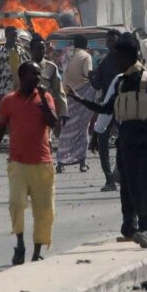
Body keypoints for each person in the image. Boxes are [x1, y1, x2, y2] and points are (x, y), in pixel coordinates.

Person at [74, 39, 147, 248]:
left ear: (128, 57)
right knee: (131, 190)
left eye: (117, 57)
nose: (114, 62)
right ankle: (139, 227)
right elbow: (106, 109)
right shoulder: (120, 83)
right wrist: (77, 98)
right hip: (126, 146)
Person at [0, 62, 60, 265]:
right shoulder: (8, 101)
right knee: (16, 203)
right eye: (33, 74)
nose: (38, 77)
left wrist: (43, 98)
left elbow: (53, 122)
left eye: (39, 74)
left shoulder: (46, 97)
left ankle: (36, 252)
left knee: (44, 210)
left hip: (43, 163)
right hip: (17, 163)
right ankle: (20, 243)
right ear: (22, 76)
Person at [89, 30, 122, 191]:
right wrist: (91, 78)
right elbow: (98, 85)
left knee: (126, 142)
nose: (111, 44)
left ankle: (121, 173)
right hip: (107, 106)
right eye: (109, 41)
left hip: (124, 106)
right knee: (102, 142)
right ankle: (109, 179)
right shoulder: (103, 62)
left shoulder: (127, 61)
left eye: (114, 41)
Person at [57, 35, 93, 173]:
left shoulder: (67, 55)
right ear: (86, 44)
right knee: (83, 128)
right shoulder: (86, 57)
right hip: (80, 95)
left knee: (66, 129)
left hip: (66, 95)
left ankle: (60, 161)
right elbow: (87, 74)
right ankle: (82, 162)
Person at [30, 35, 66, 122]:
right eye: (38, 48)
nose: (41, 51)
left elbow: (59, 91)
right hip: (29, 109)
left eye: (43, 48)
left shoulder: (51, 67)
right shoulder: (24, 67)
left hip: (46, 109)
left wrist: (63, 112)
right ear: (31, 50)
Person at [0, 26, 29, 96]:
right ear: (6, 35)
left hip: (21, 88)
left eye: (15, 36)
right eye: (12, 36)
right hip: (6, 88)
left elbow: (27, 65)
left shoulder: (20, 50)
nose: (14, 38)